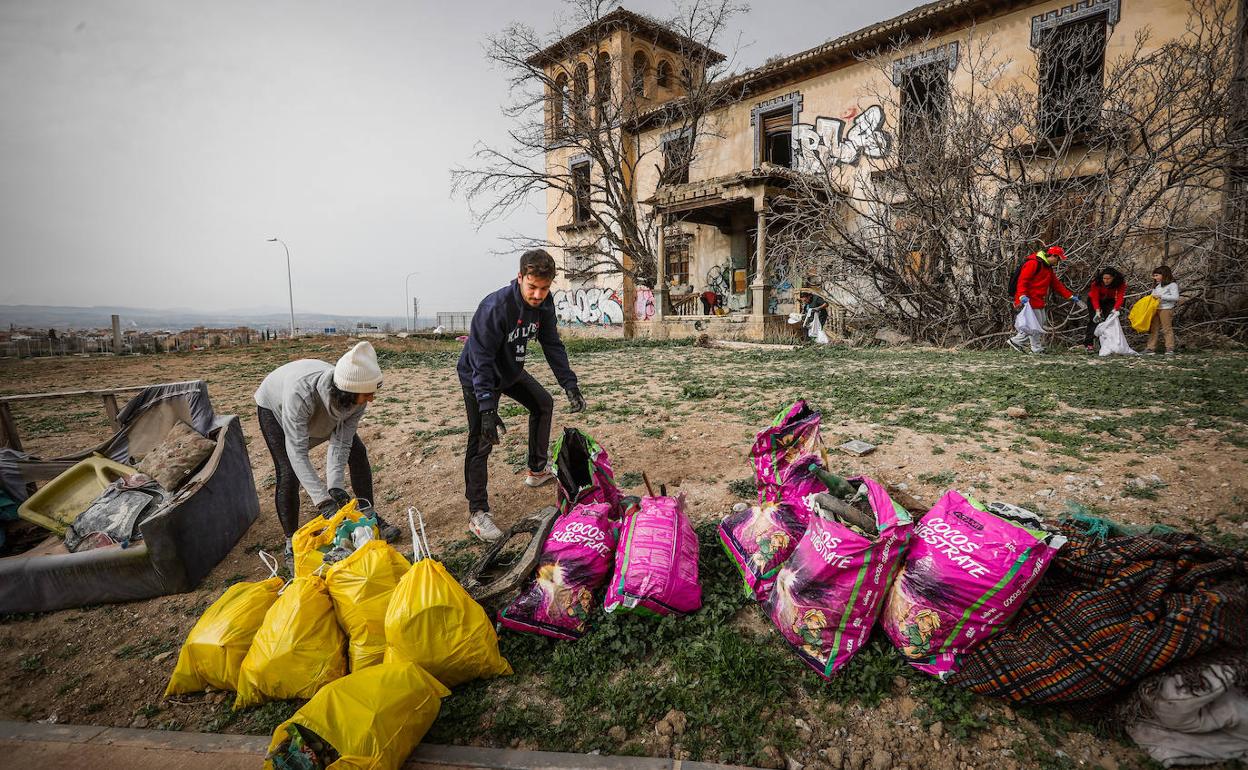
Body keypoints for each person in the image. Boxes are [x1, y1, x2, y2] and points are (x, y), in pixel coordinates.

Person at [458, 249, 585, 542]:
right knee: (481, 439)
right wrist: (488, 409)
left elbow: (552, 344)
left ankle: (536, 470)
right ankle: (477, 513)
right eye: (532, 287)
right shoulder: (495, 308)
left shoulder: (544, 304)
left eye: (544, 288)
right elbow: (481, 361)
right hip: (479, 375)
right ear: (519, 278)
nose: (538, 294)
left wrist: (569, 384)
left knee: (543, 403)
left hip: (510, 371)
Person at [254, 341, 398, 571]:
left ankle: (368, 516)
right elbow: (297, 453)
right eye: (367, 394)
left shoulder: (356, 397)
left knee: (357, 453)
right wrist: (323, 501)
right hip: (276, 408)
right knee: (288, 472)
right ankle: (291, 542)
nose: (371, 399)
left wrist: (335, 487)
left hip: (321, 409)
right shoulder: (300, 395)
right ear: (347, 391)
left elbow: (342, 442)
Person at [1008, 245, 1084, 354]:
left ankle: (1033, 347)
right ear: (1053, 256)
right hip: (1028, 299)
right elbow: (1022, 281)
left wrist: (1070, 296)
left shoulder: (1047, 267)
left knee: (1039, 322)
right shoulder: (1033, 263)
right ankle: (1018, 342)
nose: (1058, 262)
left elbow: (1056, 284)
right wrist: (1021, 296)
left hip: (1036, 299)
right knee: (1034, 324)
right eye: (1058, 258)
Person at [1083, 267, 1127, 352]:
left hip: (1109, 300)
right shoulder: (1096, 283)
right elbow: (1095, 297)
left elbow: (1120, 297)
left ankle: (1108, 344)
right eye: (1104, 278)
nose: (1106, 281)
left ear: (1113, 278)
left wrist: (1115, 309)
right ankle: (1089, 344)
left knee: (1109, 321)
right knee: (1094, 320)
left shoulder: (1120, 283)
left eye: (1108, 279)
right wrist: (1097, 311)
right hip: (1094, 299)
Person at [1144, 265, 1180, 356]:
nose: (1154, 277)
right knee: (1154, 329)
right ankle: (1150, 348)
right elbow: (1153, 296)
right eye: (1154, 275)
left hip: (1166, 309)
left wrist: (1161, 297)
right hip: (1156, 309)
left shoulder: (1172, 285)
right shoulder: (1158, 286)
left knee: (1166, 329)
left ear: (1164, 275)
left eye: (1156, 275)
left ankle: (1169, 348)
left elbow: (1176, 297)